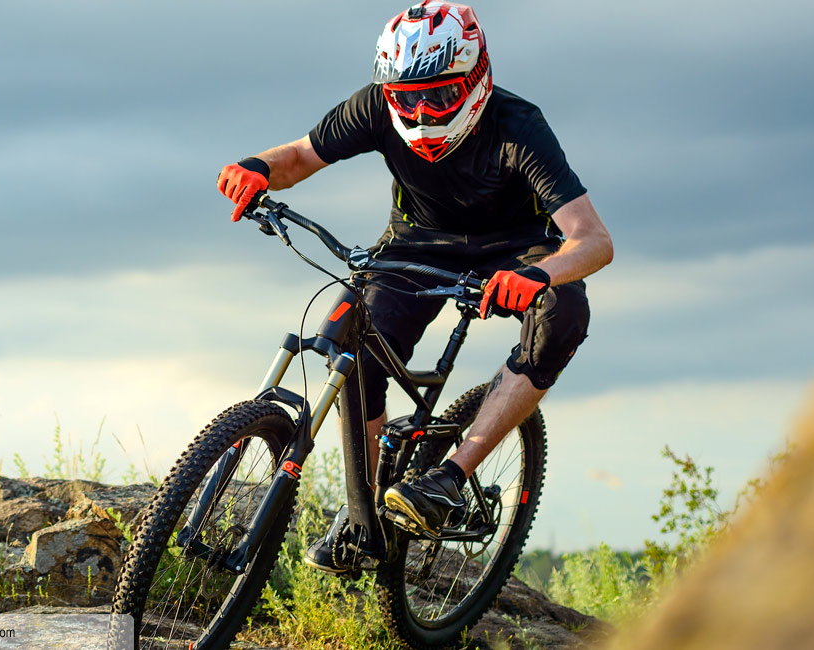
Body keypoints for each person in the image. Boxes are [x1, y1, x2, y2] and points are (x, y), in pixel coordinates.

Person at [214, 0, 613, 574]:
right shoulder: (376, 105)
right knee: (354, 344)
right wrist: (256, 165)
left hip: (515, 247)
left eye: (441, 96)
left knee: (563, 313)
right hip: (416, 243)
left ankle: (454, 474)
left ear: (476, 80)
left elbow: (593, 240)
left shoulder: (519, 125)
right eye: (406, 97)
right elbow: (301, 154)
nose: (422, 112)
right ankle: (364, 515)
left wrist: (537, 273)